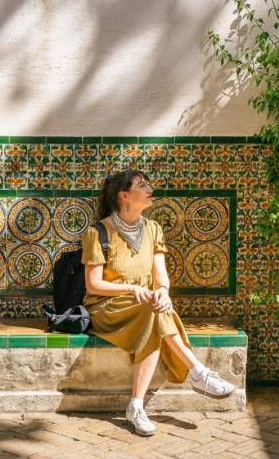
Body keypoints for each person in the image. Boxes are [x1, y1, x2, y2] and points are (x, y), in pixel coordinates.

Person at [79, 169, 236, 437]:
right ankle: (198, 372)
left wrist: (163, 290)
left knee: (156, 311)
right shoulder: (98, 232)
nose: (150, 188)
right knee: (153, 312)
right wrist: (131, 288)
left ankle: (136, 405)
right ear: (124, 195)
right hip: (107, 308)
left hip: (144, 307)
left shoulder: (153, 229)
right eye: (142, 185)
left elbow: (160, 274)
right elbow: (94, 285)